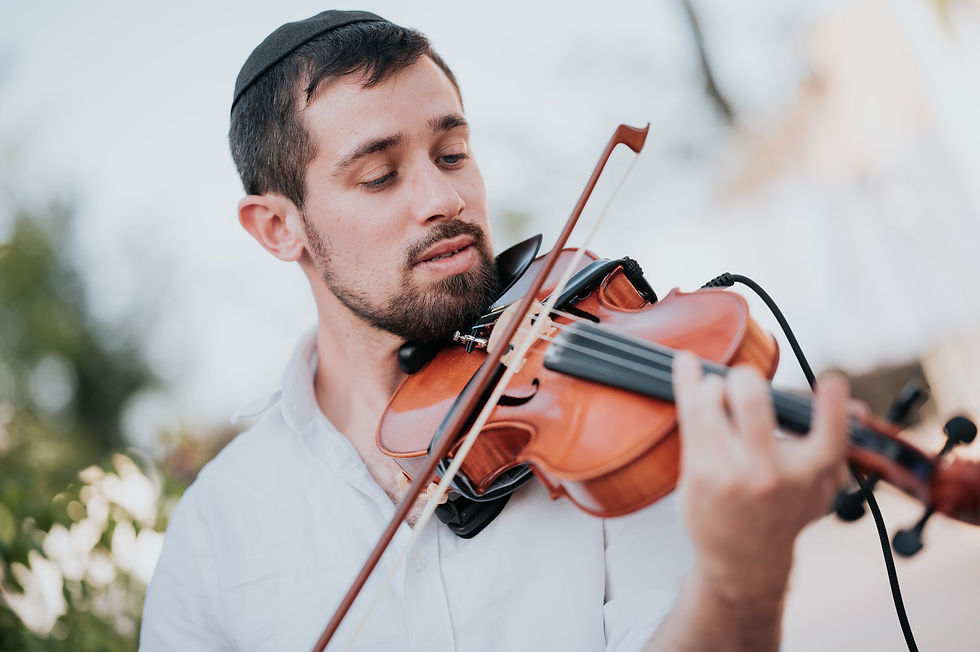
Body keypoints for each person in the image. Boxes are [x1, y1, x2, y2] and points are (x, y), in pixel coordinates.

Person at [140, 10, 851, 651]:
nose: (446, 198)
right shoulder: (216, 534)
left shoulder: (600, 422)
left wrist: (739, 583)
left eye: (452, 154)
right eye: (381, 176)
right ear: (278, 226)